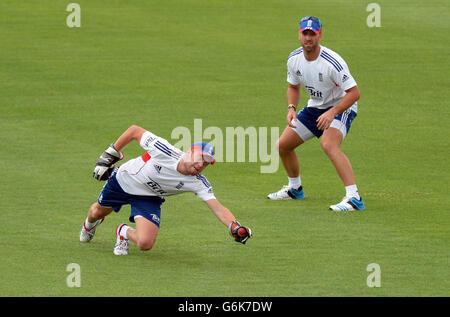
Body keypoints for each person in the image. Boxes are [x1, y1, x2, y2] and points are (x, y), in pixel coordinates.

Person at [79, 125, 252, 255]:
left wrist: (234, 226)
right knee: (96, 212)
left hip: (149, 197)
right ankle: (89, 226)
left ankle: (123, 232)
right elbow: (134, 131)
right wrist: (111, 154)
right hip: (123, 182)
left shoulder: (198, 182)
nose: (201, 165)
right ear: (190, 152)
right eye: (199, 159)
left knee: (145, 243)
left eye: (206, 164)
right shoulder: (164, 150)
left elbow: (218, 208)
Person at [267, 15, 366, 211]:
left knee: (328, 144)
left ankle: (354, 198)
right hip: (316, 108)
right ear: (299, 34)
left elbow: (354, 93)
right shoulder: (294, 59)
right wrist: (291, 109)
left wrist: (333, 112)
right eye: (305, 33)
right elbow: (293, 87)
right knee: (283, 145)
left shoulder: (332, 62)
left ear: (320, 36)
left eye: (313, 34)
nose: (308, 38)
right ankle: (295, 189)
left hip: (341, 106)